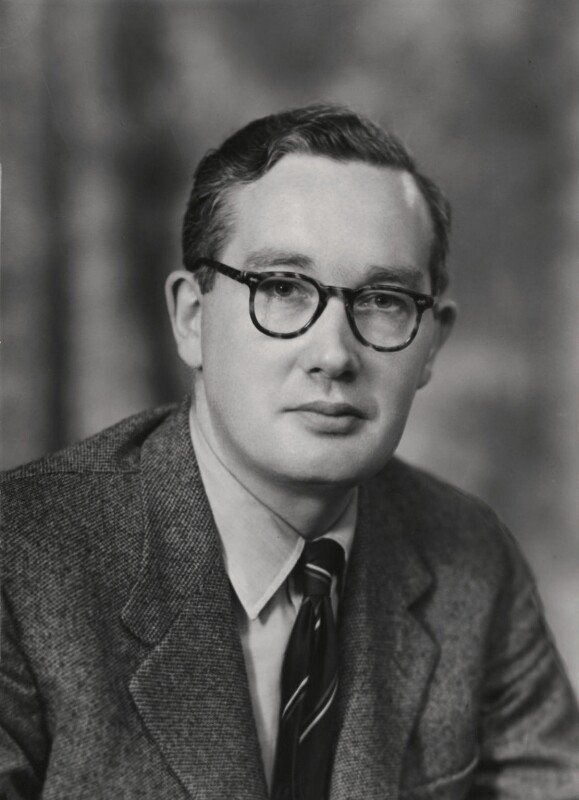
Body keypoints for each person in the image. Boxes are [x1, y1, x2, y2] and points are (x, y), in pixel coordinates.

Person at [1, 105, 578, 800]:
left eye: (384, 300)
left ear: (432, 345)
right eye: (280, 288)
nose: (333, 354)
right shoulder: (20, 562)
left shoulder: (472, 558)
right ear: (191, 318)